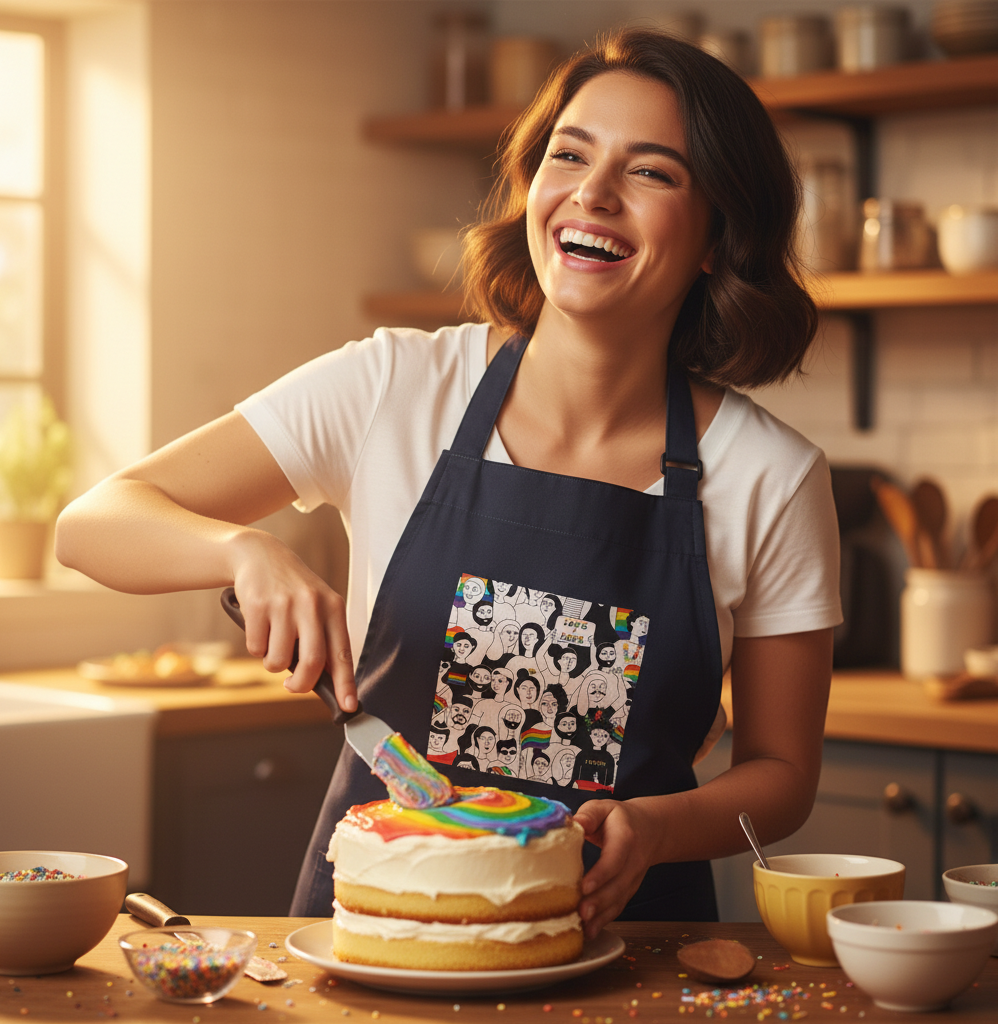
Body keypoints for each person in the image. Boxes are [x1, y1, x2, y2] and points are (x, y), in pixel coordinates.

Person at [55, 29, 840, 937]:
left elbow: (784, 777)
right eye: (570, 155)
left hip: (629, 945)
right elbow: (93, 523)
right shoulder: (392, 386)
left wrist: (658, 827)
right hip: (378, 941)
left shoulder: (772, 477)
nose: (592, 192)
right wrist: (242, 548)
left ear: (717, 236)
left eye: (653, 172)